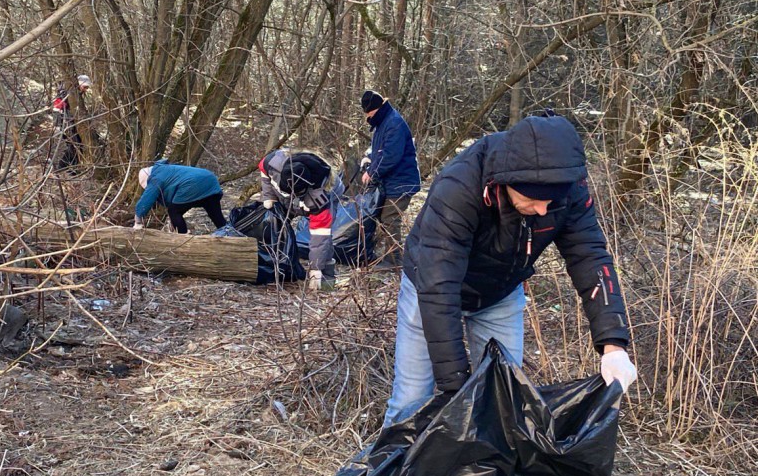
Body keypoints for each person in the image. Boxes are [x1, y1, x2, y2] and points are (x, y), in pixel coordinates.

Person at [383, 112, 637, 427]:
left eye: (551, 202)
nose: (543, 210)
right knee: (411, 401)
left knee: (501, 402)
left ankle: (483, 473)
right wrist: (455, 386)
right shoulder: (459, 186)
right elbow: (439, 287)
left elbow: (590, 256)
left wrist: (613, 344)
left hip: (500, 294)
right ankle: (388, 472)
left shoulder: (567, 186)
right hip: (430, 288)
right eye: (533, 200)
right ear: (504, 183)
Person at [359, 90, 421, 268]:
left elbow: (390, 156)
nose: (367, 116)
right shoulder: (383, 122)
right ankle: (390, 255)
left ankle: (394, 262)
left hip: (401, 182)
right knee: (385, 218)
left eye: (369, 112)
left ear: (375, 109)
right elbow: (378, 150)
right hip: (392, 181)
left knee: (390, 219)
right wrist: (368, 159)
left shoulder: (393, 123)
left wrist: (372, 172)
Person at [259, 149, 335, 290]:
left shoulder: (320, 198)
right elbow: (263, 169)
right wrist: (269, 196)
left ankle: (326, 277)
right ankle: (276, 263)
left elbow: (320, 235)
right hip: (287, 199)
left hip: (320, 196)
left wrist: (315, 268)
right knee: (274, 222)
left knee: (325, 238)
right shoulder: (274, 163)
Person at [133, 160, 226, 234]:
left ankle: (181, 239)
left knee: (174, 211)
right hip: (210, 181)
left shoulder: (155, 178)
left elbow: (147, 199)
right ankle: (229, 234)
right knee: (216, 216)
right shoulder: (167, 170)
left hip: (193, 184)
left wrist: (138, 220)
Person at [52, 74, 92, 172]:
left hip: (69, 122)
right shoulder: (65, 92)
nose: (86, 90)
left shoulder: (75, 93)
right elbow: (57, 108)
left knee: (78, 145)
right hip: (65, 123)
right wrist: (62, 123)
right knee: (74, 145)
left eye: (87, 87)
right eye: (85, 87)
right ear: (79, 83)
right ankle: (62, 169)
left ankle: (71, 169)